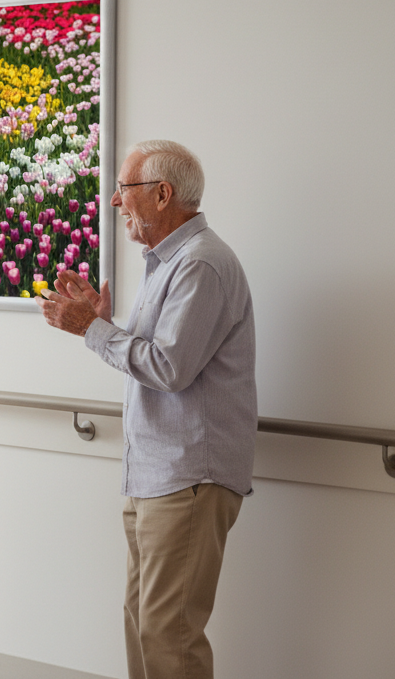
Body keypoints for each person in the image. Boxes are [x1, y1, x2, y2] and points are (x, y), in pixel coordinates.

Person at [36, 140, 257, 679]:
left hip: (188, 476)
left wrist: (93, 329)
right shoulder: (169, 264)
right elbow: (168, 358)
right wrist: (105, 324)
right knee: (145, 624)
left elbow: (170, 369)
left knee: (168, 634)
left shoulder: (201, 264)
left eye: (123, 189)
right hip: (157, 474)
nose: (114, 202)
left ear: (163, 194)